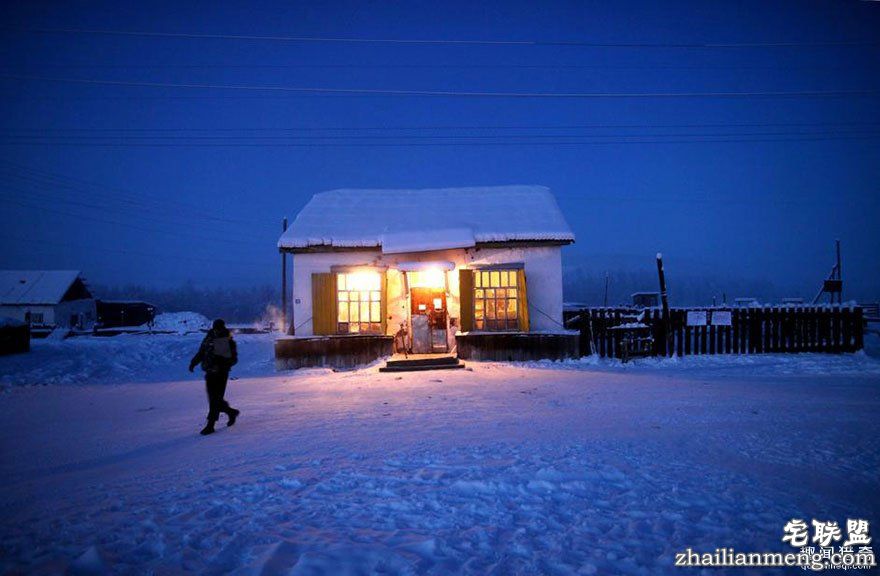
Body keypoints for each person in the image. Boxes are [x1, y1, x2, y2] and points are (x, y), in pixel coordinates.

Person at [189, 318, 240, 435]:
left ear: (222, 328)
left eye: (219, 328)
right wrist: (193, 362)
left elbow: (232, 359)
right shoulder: (209, 337)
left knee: (215, 400)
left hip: (221, 374)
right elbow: (202, 352)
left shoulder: (226, 339)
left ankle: (210, 425)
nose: (217, 330)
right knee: (214, 399)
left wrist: (222, 366)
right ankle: (231, 412)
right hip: (209, 372)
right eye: (215, 328)